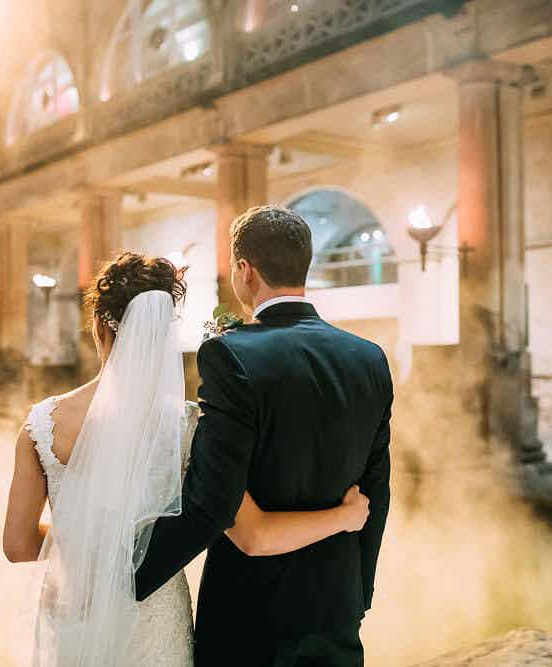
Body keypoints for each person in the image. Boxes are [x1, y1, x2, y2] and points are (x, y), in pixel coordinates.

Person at [2, 251, 372, 666]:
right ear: (162, 334)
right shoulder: (186, 427)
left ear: (98, 325)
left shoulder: (42, 426)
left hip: (72, 613)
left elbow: (17, 546)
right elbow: (252, 533)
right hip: (153, 621)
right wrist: (344, 517)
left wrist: (84, 539)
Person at [135, 206, 393, 667]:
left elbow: (212, 502)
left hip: (251, 620)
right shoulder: (369, 358)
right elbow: (377, 491)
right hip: (336, 609)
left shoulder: (230, 356)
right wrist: (358, 595)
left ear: (244, 270)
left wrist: (129, 579)